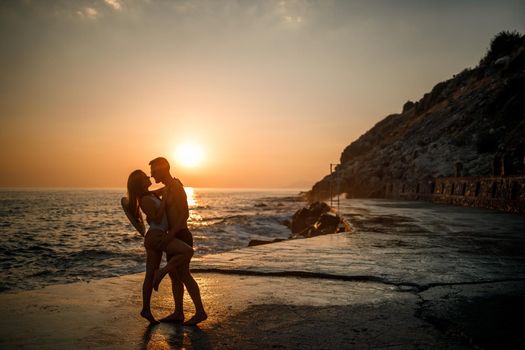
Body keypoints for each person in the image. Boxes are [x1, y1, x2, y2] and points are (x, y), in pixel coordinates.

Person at [126, 170, 193, 324]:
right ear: (139, 183)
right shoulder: (144, 199)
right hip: (156, 236)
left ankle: (146, 310)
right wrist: (164, 201)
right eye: (144, 177)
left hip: (156, 235)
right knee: (187, 251)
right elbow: (155, 217)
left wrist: (174, 184)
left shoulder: (150, 194)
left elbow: (166, 189)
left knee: (149, 274)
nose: (148, 177)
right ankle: (162, 272)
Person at [149, 157, 207, 326]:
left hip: (181, 234)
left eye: (153, 171)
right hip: (173, 235)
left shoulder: (176, 187)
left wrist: (171, 235)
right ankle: (178, 312)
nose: (152, 176)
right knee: (175, 276)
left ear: (162, 169)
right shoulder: (168, 187)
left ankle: (201, 312)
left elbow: (185, 214)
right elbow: (154, 193)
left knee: (184, 275)